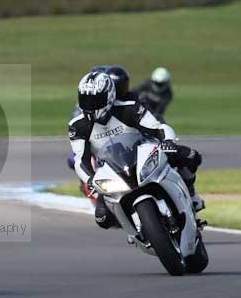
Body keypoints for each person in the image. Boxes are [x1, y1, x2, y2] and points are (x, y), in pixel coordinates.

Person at [68, 71, 204, 230]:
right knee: (102, 219)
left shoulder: (130, 108)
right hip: (111, 171)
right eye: (86, 100)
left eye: (95, 100)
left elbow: (158, 128)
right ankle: (134, 229)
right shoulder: (77, 126)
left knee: (190, 156)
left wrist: (168, 142)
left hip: (144, 154)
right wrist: (90, 179)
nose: (90, 105)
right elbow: (80, 159)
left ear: (109, 96)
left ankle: (192, 195)